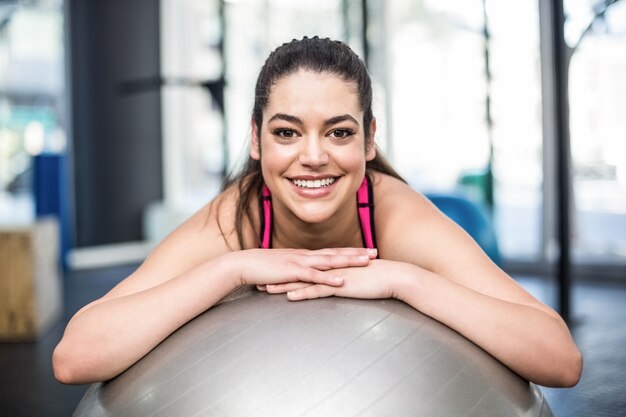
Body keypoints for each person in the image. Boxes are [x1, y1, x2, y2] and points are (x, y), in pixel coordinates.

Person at [53, 36, 582, 387]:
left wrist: (404, 279)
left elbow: (561, 360)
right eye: (286, 132)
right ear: (256, 139)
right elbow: (73, 357)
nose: (312, 155)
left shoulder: (396, 216)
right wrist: (230, 268)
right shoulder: (234, 218)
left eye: (339, 131)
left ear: (369, 139)